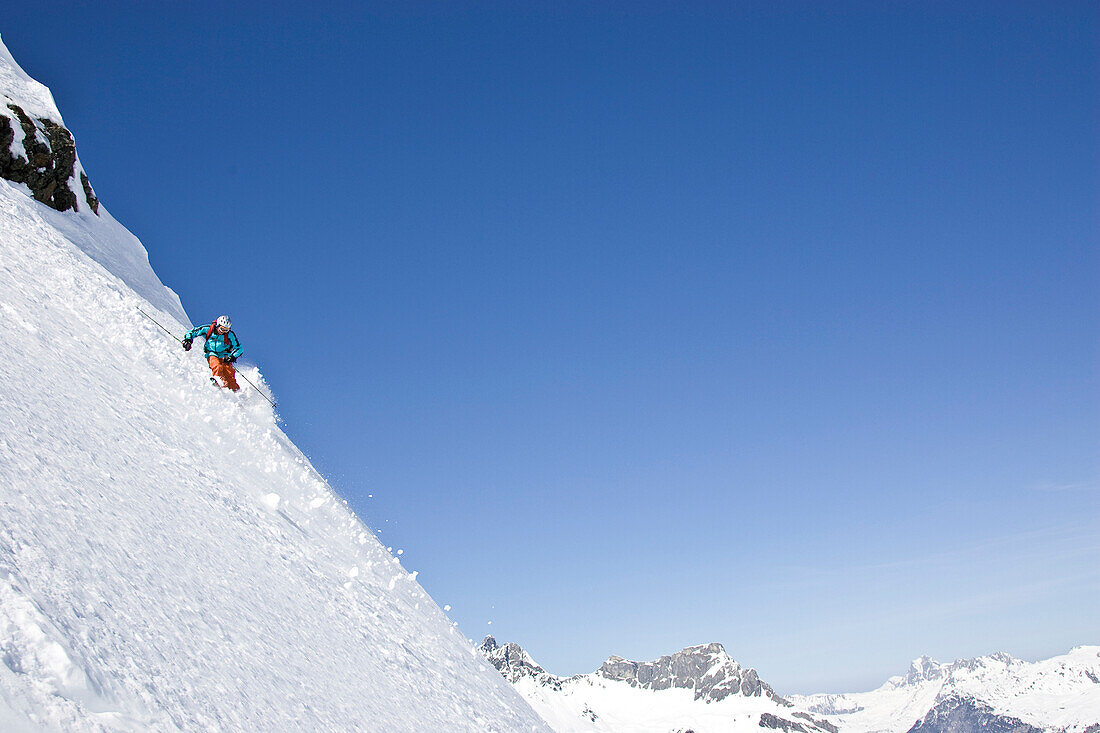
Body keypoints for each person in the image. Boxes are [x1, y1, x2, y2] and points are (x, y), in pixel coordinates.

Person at [182, 315, 243, 391]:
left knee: (229, 375)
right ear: (218, 325)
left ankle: (236, 392)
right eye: (222, 329)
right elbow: (193, 332)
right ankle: (219, 382)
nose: (223, 332)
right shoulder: (208, 329)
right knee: (216, 366)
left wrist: (232, 356)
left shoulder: (230, 335)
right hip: (212, 353)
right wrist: (188, 340)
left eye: (226, 330)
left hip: (225, 356)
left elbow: (239, 348)